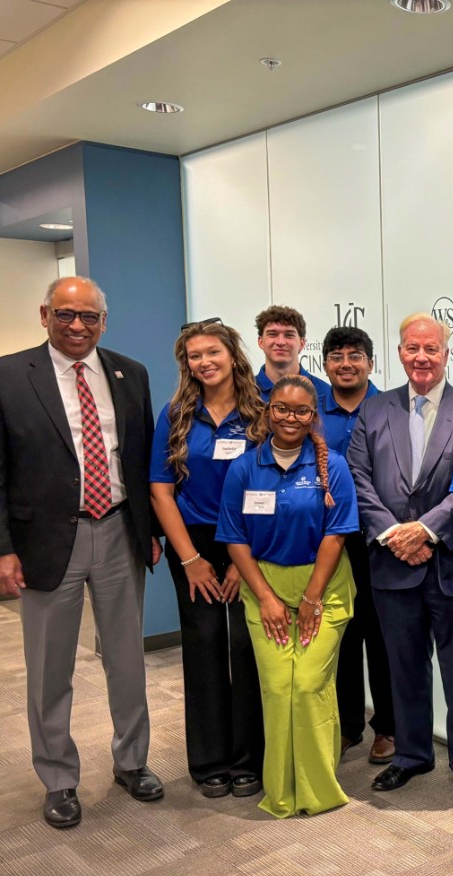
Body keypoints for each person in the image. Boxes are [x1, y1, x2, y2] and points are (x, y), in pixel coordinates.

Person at [0, 276, 164, 829]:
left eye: (89, 317)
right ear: (44, 315)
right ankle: (58, 777)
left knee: (127, 658)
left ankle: (133, 761)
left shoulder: (130, 373)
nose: (77, 326)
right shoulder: (5, 376)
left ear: (105, 320)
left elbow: (141, 458)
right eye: (65, 314)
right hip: (47, 541)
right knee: (51, 668)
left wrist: (149, 528)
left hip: (121, 530)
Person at [347, 313, 453, 805]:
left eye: (431, 348)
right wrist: (392, 533)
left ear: (447, 354)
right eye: (412, 348)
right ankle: (410, 755)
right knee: (401, 667)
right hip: (392, 564)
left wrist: (428, 529)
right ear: (401, 353)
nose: (422, 357)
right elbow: (357, 478)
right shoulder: (373, 410)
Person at [216, 375, 358, 818]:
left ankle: (317, 788)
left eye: (300, 411)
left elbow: (336, 537)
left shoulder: (331, 466)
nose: (290, 418)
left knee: (310, 683)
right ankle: (281, 790)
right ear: (267, 410)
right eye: (281, 408)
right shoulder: (244, 467)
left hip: (325, 586)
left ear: (312, 416)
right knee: (279, 687)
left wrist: (313, 599)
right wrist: (268, 598)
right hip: (265, 588)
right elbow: (234, 538)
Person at [150, 320, 265, 800]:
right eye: (194, 355)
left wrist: (244, 561)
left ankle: (248, 760)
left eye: (212, 352)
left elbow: (271, 485)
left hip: (251, 540)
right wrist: (191, 559)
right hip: (193, 542)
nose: (204, 362)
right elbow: (160, 489)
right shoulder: (176, 414)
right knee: (204, 644)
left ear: (231, 353)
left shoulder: (260, 410)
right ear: (186, 363)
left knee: (246, 646)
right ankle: (209, 762)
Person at [318, 325, 395, 764]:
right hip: (330, 540)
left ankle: (388, 726)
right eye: (337, 356)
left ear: (370, 362)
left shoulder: (391, 408)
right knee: (340, 635)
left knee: (383, 636)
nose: (346, 364)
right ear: (325, 363)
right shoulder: (311, 411)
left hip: (381, 539)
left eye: (355, 356)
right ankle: (347, 725)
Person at [253, 305, 331, 401]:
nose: (281, 342)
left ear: (302, 343)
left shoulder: (326, 394)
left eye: (289, 335)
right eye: (272, 334)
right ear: (260, 342)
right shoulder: (244, 393)